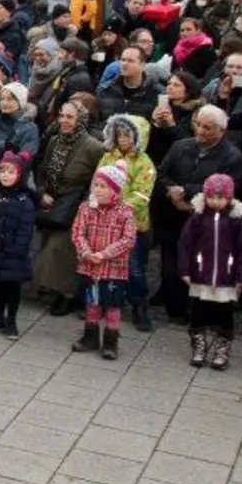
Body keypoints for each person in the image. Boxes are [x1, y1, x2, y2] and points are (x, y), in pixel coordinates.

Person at [154, 105, 242, 323]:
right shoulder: (180, 146)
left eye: (207, 128)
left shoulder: (232, 157)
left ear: (221, 131)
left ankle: (195, 310)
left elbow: (227, 189)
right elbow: (161, 174)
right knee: (170, 266)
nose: (201, 131)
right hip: (172, 217)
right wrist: (172, 192)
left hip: (204, 222)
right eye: (198, 125)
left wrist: (187, 192)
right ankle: (175, 310)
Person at [33, 102, 106, 316]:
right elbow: (43, 170)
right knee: (49, 245)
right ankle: (51, 289)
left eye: (70, 117)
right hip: (53, 204)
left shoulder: (93, 147)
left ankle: (66, 294)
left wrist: (87, 204)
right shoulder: (54, 141)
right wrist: (42, 192)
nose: (64, 120)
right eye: (62, 116)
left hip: (76, 205)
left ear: (80, 120)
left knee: (62, 250)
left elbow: (98, 179)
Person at [178, 174, 242, 371]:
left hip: (226, 277)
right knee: (198, 312)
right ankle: (198, 345)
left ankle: (222, 346)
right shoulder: (197, 218)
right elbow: (185, 244)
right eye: (211, 197)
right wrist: (184, 269)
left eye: (220, 197)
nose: (215, 202)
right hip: (201, 274)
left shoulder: (235, 222)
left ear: (229, 198)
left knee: (225, 314)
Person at [70, 161, 137, 360]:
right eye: (96, 185)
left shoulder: (125, 212)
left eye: (103, 186)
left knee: (112, 305)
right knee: (92, 301)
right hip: (90, 266)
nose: (98, 190)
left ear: (115, 189)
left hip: (114, 269)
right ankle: (90, 337)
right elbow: (77, 232)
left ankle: (110, 341)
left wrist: (105, 254)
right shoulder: (86, 208)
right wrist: (86, 252)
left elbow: (128, 239)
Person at [99, 114, 157, 332]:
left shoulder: (144, 163)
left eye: (128, 135)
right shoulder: (108, 157)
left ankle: (139, 306)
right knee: (107, 264)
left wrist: (118, 209)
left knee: (134, 269)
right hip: (106, 222)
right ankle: (108, 302)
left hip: (133, 225)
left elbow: (142, 195)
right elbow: (98, 181)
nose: (123, 139)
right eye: (119, 135)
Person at [0, 151, 38, 339]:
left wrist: (17, 248)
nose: (5, 175)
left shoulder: (24, 201)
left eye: (11, 172)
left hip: (13, 253)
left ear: (19, 175)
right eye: (2, 171)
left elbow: (25, 228)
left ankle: (11, 320)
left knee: (12, 287)